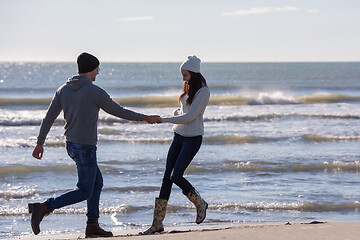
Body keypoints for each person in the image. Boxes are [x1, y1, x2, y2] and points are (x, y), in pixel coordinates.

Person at [29, 52, 161, 237]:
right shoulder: (94, 91)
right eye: (97, 69)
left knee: (96, 183)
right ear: (91, 69)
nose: (98, 73)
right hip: (85, 148)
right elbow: (118, 111)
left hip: (72, 146)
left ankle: (92, 225)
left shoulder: (63, 90)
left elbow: (49, 118)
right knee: (84, 190)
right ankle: (44, 207)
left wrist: (39, 143)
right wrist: (145, 118)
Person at [142, 56, 210, 234]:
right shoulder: (188, 88)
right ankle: (157, 224)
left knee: (176, 176)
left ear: (194, 73)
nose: (183, 78)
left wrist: (163, 119)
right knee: (166, 177)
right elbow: (183, 112)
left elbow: (190, 117)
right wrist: (175, 113)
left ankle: (200, 203)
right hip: (178, 136)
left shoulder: (203, 92)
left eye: (185, 75)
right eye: (182, 75)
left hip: (193, 138)